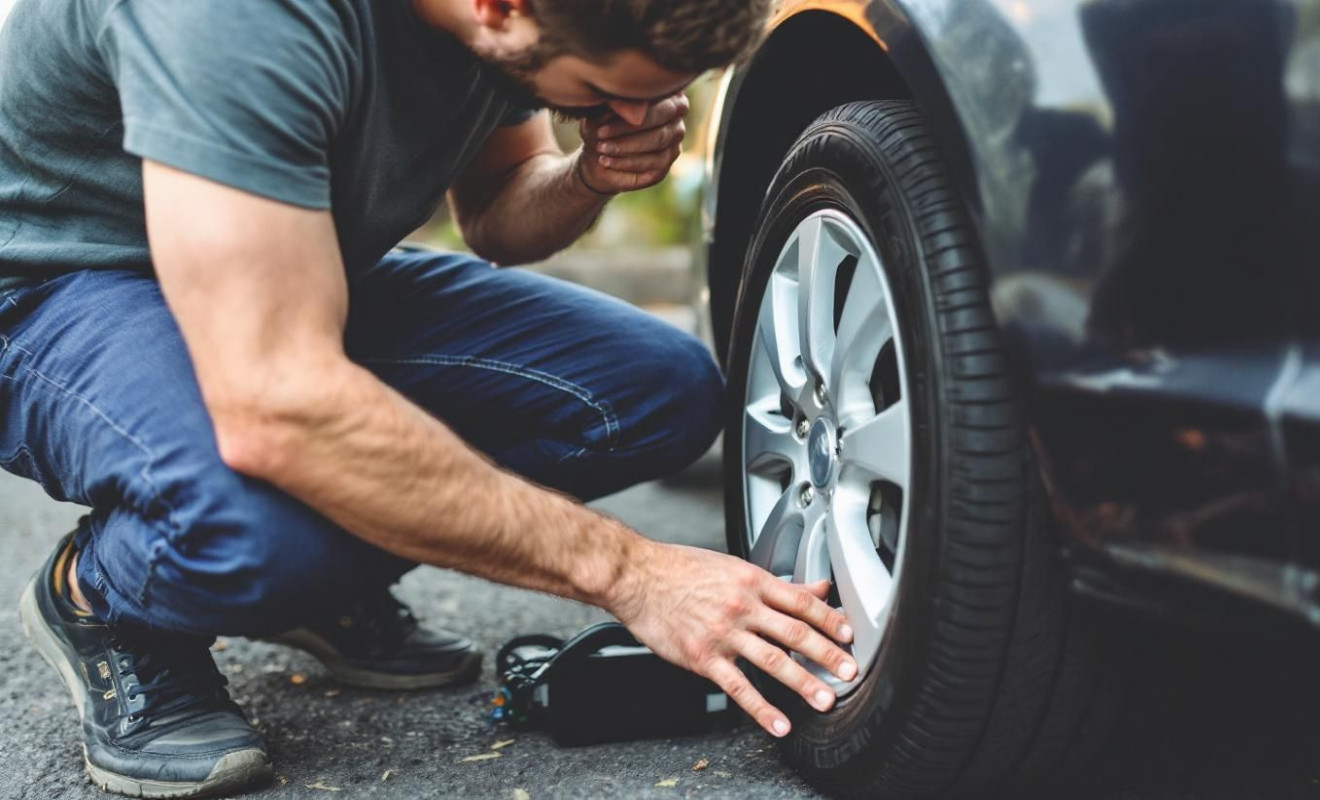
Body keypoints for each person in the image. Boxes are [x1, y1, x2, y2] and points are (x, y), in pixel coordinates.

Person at [0, 0, 860, 796]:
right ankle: (103, 599)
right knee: (253, 529)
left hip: (290, 269)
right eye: (605, 93)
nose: (638, 117)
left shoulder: (502, 26)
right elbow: (277, 403)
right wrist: (634, 574)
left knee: (658, 392)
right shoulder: (237, 18)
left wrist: (589, 174)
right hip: (57, 285)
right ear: (499, 9)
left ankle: (316, 578)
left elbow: (495, 214)